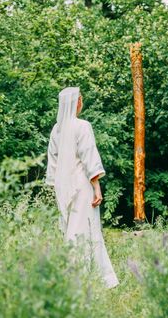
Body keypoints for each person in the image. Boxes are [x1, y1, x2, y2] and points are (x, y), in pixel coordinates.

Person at [45, 87, 119, 289]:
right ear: (76, 103)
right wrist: (97, 188)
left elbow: (52, 163)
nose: (82, 101)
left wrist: (55, 188)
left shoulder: (56, 130)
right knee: (87, 228)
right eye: (80, 99)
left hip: (63, 187)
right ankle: (91, 278)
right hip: (81, 186)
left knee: (70, 229)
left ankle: (72, 276)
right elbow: (90, 158)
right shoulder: (82, 126)